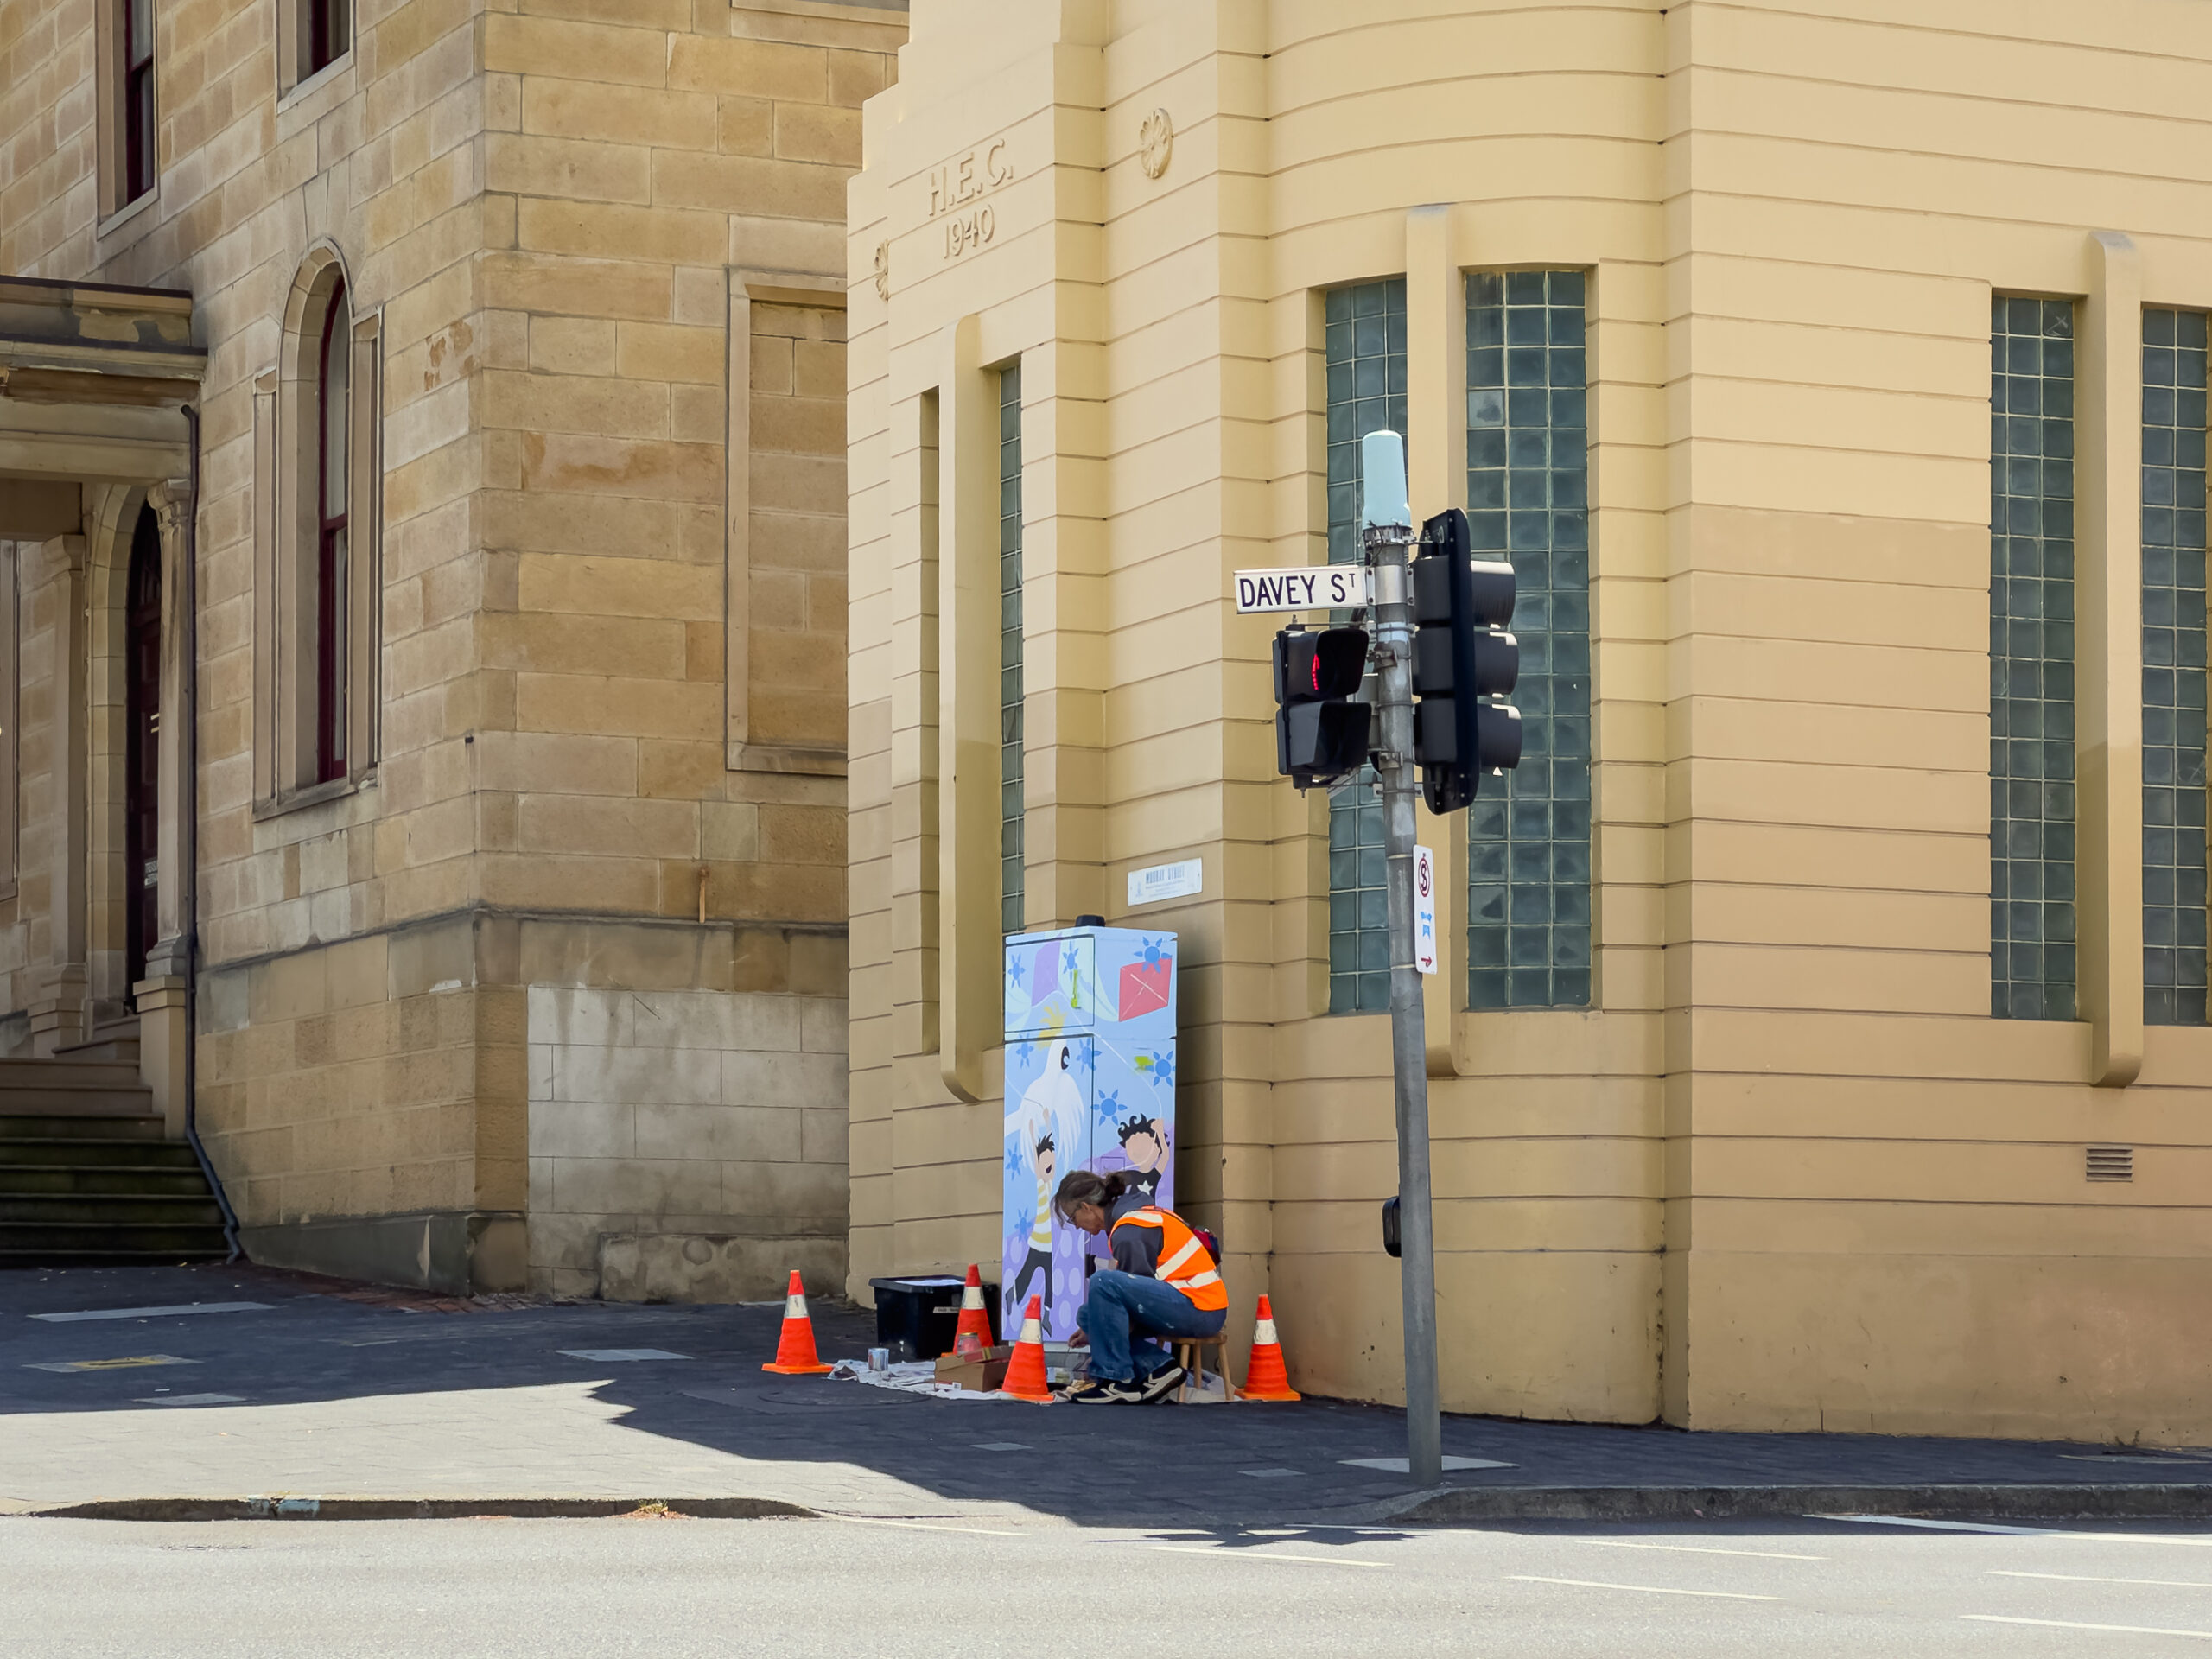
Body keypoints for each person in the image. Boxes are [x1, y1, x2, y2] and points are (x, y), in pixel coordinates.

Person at [1052, 1168, 1226, 1404]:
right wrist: (1097, 1324)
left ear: (1086, 1207)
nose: (1077, 1225)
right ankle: (1160, 1367)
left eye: (1073, 1218)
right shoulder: (1134, 1218)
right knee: (1089, 1312)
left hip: (1199, 1308)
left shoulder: (1130, 1230)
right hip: (1192, 1303)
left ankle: (1117, 1381)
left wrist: (1100, 1329)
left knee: (1102, 1283)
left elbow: (1131, 1304)